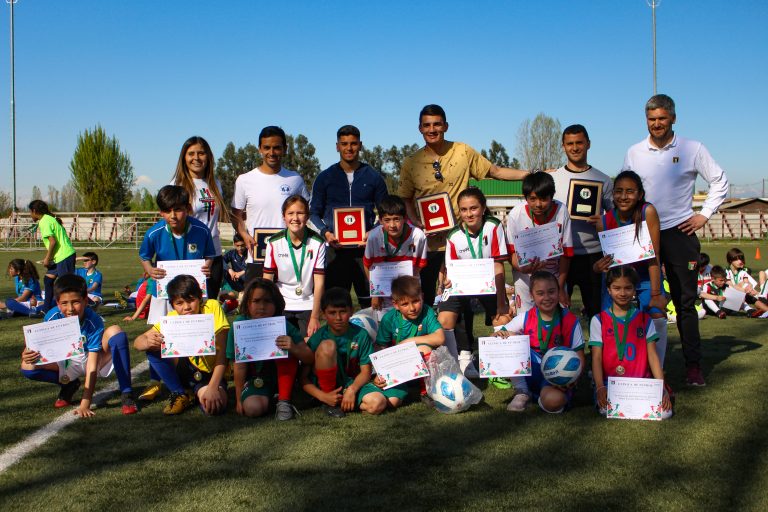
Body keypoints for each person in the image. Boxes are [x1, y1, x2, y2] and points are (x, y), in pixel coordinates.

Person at [622, 94, 729, 386]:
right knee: (640, 298)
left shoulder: (693, 148)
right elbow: (625, 190)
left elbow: (720, 180)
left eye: (662, 118)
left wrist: (704, 214)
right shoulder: (634, 152)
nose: (656, 124)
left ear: (673, 118)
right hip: (642, 233)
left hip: (680, 233)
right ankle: (641, 366)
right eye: (651, 119)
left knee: (685, 302)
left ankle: (693, 367)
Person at [398, 104, 531, 306]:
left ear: (446, 126)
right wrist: (417, 222)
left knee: (464, 296)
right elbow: (405, 198)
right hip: (429, 242)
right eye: (427, 125)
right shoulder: (411, 162)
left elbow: (495, 171)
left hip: (463, 240)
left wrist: (531, 174)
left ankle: (468, 337)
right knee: (423, 295)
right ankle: (427, 336)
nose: (432, 129)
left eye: (437, 124)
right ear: (420, 128)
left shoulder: (462, 151)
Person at [20, 274, 137, 416]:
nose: (70, 308)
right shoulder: (52, 317)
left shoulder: (93, 320)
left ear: (85, 300)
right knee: (27, 366)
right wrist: (27, 353)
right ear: (57, 302)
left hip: (93, 360)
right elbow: (41, 348)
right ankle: (69, 384)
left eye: (75, 302)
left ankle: (127, 394)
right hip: (67, 362)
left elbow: (92, 365)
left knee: (116, 331)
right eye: (64, 303)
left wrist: (85, 404)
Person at [592, 170, 669, 367]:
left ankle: (657, 374)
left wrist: (656, 292)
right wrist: (597, 266)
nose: (623, 197)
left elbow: (654, 255)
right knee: (610, 323)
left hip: (644, 277)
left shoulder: (647, 211)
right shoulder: (605, 220)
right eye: (618, 191)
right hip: (618, 280)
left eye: (629, 191)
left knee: (657, 316)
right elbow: (607, 260)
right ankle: (615, 371)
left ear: (640, 194)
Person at [310, 125, 388, 309]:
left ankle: (373, 338)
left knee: (371, 304)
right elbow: (313, 213)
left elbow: (386, 212)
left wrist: (373, 232)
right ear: (337, 146)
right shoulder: (325, 177)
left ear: (360, 145)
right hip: (335, 251)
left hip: (365, 251)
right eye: (344, 144)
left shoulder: (374, 177)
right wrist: (325, 233)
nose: (349, 148)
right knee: (335, 305)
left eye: (353, 143)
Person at [439, 187, 510, 378]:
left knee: (502, 317)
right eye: (464, 210)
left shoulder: (493, 226)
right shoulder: (453, 236)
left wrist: (502, 301)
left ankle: (500, 367)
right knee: (444, 319)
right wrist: (447, 281)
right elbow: (451, 270)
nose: (469, 214)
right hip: (462, 284)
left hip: (488, 282)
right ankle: (457, 365)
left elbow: (498, 265)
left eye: (473, 208)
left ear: (483, 207)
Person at [134, 275, 229, 415]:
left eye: (191, 300)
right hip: (185, 371)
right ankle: (179, 392)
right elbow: (138, 342)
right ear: (172, 305)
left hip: (210, 373)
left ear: (200, 298)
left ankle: (193, 393)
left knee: (213, 408)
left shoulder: (212, 307)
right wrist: (147, 341)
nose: (186, 307)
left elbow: (223, 352)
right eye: (179, 303)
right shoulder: (172, 318)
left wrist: (213, 387)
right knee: (152, 348)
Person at [494, 271, 584, 413]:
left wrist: (571, 379)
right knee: (508, 339)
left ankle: (542, 398)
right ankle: (522, 391)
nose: (547, 297)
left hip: (555, 379)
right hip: (531, 372)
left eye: (551, 292)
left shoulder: (571, 321)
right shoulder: (525, 317)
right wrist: (503, 335)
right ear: (531, 295)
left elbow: (580, 357)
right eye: (540, 293)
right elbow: (495, 337)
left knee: (554, 401)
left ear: (558, 291)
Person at [589, 266, 672, 419]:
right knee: (605, 410)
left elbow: (653, 356)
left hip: (641, 384)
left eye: (628, 288)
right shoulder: (598, 320)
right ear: (608, 289)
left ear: (635, 290)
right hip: (611, 384)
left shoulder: (644, 319)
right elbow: (596, 357)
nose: (622, 293)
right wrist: (600, 387)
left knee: (665, 413)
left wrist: (661, 388)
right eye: (616, 288)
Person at [550, 124, 613, 318]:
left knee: (597, 312)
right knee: (556, 311)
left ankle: (597, 349)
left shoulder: (603, 180)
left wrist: (605, 221)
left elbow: (617, 218)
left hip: (593, 255)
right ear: (563, 146)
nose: (575, 148)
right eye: (570, 144)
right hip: (560, 256)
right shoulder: (552, 178)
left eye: (579, 143)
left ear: (588, 144)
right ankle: (561, 349)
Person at [228, 278, 314, 420]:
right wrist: (238, 399)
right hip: (256, 381)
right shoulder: (240, 326)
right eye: (256, 301)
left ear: (276, 304)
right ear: (248, 304)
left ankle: (284, 399)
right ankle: (274, 399)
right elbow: (239, 366)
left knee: (287, 350)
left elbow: (309, 357)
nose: (262, 306)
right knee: (253, 409)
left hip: (283, 377)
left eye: (267, 301)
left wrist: (293, 348)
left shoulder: (284, 325)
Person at [231, 126, 309, 279]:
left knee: (289, 302)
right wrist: (243, 234)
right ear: (259, 148)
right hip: (257, 257)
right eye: (267, 147)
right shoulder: (244, 180)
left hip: (289, 254)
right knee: (258, 302)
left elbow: (306, 211)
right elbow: (236, 215)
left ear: (285, 149)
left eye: (277, 148)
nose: (271, 153)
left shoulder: (295, 179)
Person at [301, 287, 387, 418]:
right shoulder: (318, 337)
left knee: (378, 403)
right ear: (323, 314)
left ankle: (344, 402)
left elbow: (366, 372)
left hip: (352, 383)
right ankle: (329, 402)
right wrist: (323, 396)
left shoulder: (361, 334)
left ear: (351, 311)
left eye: (343, 311)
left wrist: (352, 390)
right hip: (323, 389)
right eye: (332, 313)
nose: (338, 317)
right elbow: (303, 378)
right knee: (327, 346)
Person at [139, 185, 215, 320]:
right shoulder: (153, 233)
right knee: (162, 332)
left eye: (178, 210)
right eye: (167, 211)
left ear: (188, 208)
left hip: (194, 290)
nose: (173, 215)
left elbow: (209, 254)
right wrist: (150, 270)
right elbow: (145, 256)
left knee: (199, 328)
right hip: (164, 291)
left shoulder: (202, 231)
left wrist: (207, 266)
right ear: (161, 212)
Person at [172, 136, 231, 300]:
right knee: (188, 306)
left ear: (209, 156)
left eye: (201, 153)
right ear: (184, 157)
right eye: (191, 153)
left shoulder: (215, 183)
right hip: (190, 255)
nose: (196, 158)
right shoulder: (177, 185)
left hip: (214, 254)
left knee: (210, 304)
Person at [506, 172, 573, 313]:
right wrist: (524, 268)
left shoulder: (562, 211)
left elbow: (566, 254)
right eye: (532, 199)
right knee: (526, 322)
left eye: (543, 199)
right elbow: (511, 253)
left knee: (555, 321)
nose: (538, 204)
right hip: (525, 279)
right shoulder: (515, 215)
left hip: (554, 278)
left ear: (552, 196)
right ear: (525, 198)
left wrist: (560, 287)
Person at [374, 276, 444, 407]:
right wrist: (379, 373)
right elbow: (380, 347)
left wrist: (409, 341)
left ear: (422, 297)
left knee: (424, 349)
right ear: (395, 304)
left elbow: (440, 338)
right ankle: (403, 388)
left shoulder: (427, 311)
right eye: (405, 304)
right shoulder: (389, 319)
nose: (412, 308)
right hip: (397, 364)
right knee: (393, 402)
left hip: (421, 364)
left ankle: (425, 392)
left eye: (416, 301)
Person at [263, 195, 326, 337]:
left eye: (300, 213)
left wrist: (315, 317)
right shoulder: (273, 242)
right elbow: (267, 281)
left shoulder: (318, 242)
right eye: (290, 213)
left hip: (307, 303)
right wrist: (266, 313)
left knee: (309, 348)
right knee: (280, 349)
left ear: (307, 216)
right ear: (283, 216)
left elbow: (319, 282)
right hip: (281, 303)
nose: (295, 218)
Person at [363, 195, 428, 312]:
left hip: (409, 288)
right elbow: (367, 265)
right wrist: (375, 293)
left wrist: (408, 291)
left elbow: (418, 266)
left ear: (404, 218)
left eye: (397, 219)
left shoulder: (418, 236)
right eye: (387, 220)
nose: (392, 225)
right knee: (386, 324)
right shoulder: (373, 237)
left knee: (410, 321)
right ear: (380, 221)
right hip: (382, 291)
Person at [29, 199, 76, 313]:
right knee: (48, 280)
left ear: (34, 211)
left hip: (64, 256)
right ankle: (46, 309)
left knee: (68, 287)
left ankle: (87, 303)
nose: (30, 215)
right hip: (59, 257)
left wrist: (47, 259)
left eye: (30, 212)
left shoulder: (44, 221)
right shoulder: (48, 219)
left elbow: (53, 241)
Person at [724, 247, 768, 317]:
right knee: (741, 286)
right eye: (737, 259)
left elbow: (747, 282)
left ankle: (765, 309)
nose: (740, 261)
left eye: (741, 259)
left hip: (742, 297)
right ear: (730, 260)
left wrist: (749, 288)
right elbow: (731, 286)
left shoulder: (743, 271)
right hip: (728, 301)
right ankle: (749, 309)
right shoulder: (726, 271)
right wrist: (745, 290)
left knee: (753, 298)